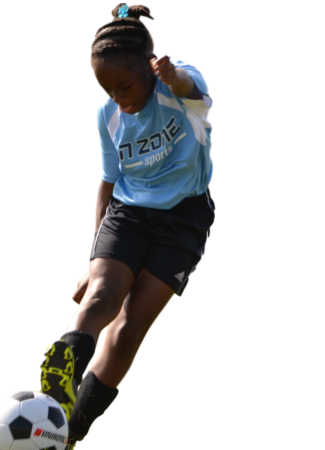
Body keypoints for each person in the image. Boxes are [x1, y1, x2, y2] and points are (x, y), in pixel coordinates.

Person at [39, 3, 215, 449]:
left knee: (129, 327)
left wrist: (173, 77)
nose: (118, 97)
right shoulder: (107, 112)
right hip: (128, 215)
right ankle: (61, 368)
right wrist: (94, 258)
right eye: (106, 88)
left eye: (124, 86)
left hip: (184, 220)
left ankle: (73, 428)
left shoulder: (177, 82)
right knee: (101, 294)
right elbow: (108, 181)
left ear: (149, 69)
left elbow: (195, 92)